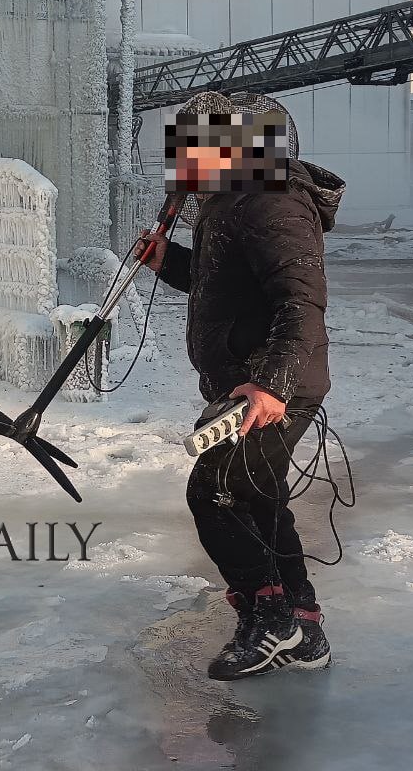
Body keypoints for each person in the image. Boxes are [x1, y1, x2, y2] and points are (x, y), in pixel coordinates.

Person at [136, 92, 345, 680]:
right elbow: (224, 285)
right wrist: (168, 262)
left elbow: (299, 302)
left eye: (192, 145)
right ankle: (303, 628)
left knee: (215, 493)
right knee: (259, 495)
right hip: (246, 381)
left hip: (276, 384)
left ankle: (270, 614)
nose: (181, 160)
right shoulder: (228, 201)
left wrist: (272, 385)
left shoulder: (273, 201)